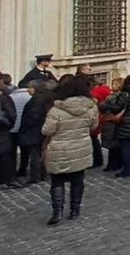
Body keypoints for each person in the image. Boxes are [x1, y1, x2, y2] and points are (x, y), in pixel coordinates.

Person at [41, 75, 97, 225]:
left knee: (57, 181)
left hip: (60, 148)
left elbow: (47, 131)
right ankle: (75, 209)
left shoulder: (56, 110)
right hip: (81, 146)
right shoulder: (90, 107)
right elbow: (93, 126)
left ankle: (57, 212)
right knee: (78, 179)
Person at [18, 78, 57, 185]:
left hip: (34, 131)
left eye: (29, 88)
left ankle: (35, 176)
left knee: (35, 154)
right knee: (40, 153)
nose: (27, 90)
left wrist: (27, 125)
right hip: (40, 129)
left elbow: (34, 116)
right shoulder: (45, 97)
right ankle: (42, 174)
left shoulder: (37, 100)